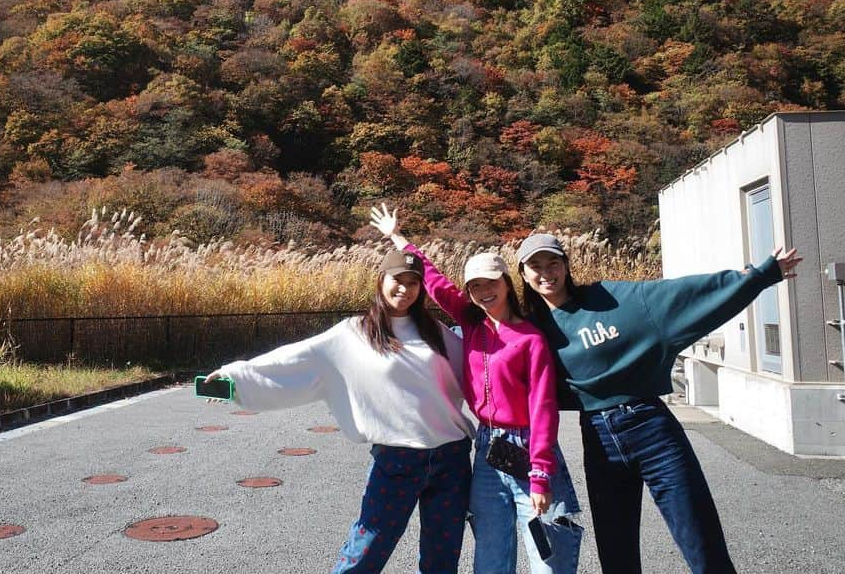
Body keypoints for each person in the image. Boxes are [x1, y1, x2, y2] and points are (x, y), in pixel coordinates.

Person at [515, 231, 801, 574]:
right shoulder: (531, 330)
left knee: (701, 540)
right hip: (598, 438)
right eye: (535, 266)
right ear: (523, 273)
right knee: (616, 553)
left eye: (553, 262)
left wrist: (760, 276)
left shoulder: (612, 300)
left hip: (651, 427)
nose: (546, 272)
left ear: (566, 265)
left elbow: (682, 295)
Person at [205, 248, 475, 574]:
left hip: (451, 459)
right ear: (381, 280)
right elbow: (296, 358)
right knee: (366, 550)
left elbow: (480, 367)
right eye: (397, 280)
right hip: (396, 459)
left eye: (413, 282)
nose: (404, 289)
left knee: (442, 559)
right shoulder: (354, 333)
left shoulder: (435, 331)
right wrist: (235, 376)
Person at [370, 204, 582, 574]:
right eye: (476, 286)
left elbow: (543, 408)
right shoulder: (471, 323)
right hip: (488, 450)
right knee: (490, 557)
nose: (484, 292)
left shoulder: (531, 339)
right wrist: (397, 236)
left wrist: (542, 472)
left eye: (492, 283)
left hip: (530, 448)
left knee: (550, 556)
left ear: (507, 284)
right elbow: (433, 281)